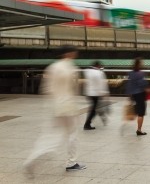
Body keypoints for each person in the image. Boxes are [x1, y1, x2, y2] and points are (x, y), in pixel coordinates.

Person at [24, 45, 86, 175]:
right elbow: (73, 89)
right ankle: (71, 162)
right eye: (74, 52)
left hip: (55, 105)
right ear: (69, 54)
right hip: (68, 106)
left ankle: (34, 157)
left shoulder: (52, 67)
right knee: (72, 134)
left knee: (51, 135)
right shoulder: (71, 68)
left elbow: (46, 89)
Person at [83, 61, 109, 130]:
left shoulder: (88, 71)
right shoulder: (99, 73)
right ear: (98, 66)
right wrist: (104, 92)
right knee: (94, 110)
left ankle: (89, 123)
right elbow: (102, 84)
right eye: (100, 66)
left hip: (88, 93)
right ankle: (87, 124)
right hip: (96, 94)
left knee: (94, 108)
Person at [126, 57, 149, 135]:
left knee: (136, 110)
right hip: (140, 94)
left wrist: (129, 96)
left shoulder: (131, 73)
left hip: (133, 94)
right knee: (141, 113)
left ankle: (128, 124)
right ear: (139, 64)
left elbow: (129, 85)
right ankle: (139, 130)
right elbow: (143, 84)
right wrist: (148, 89)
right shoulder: (141, 73)